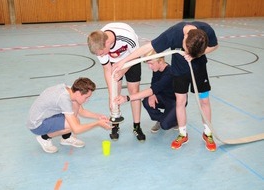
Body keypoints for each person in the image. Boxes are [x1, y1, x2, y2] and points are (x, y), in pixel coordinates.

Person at [114, 21, 219, 151]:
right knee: (180, 101)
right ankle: (182, 134)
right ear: (185, 37)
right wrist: (123, 61)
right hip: (179, 71)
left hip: (199, 68)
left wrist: (197, 54)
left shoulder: (206, 30)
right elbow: (147, 48)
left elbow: (214, 46)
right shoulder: (173, 34)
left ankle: (207, 133)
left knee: (204, 100)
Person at [87, 22, 145, 142]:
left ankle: (137, 126)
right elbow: (107, 69)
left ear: (107, 43)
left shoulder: (128, 38)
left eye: (102, 53)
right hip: (114, 62)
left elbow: (135, 56)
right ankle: (115, 124)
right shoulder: (99, 45)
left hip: (131, 58)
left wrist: (123, 70)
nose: (101, 55)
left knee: (134, 92)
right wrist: (111, 94)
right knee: (115, 94)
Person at [26, 77, 112, 153]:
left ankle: (66, 138)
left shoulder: (71, 90)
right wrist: (97, 123)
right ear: (78, 93)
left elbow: (81, 111)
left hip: (44, 116)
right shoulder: (64, 99)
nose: (87, 100)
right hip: (37, 125)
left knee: (75, 108)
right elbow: (76, 129)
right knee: (74, 123)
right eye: (86, 97)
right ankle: (44, 138)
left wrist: (98, 116)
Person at [115, 50, 180, 133]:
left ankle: (177, 119)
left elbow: (154, 89)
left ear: (160, 61)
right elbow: (154, 84)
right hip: (163, 98)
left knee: (165, 125)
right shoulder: (156, 69)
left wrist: (127, 98)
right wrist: (152, 95)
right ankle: (163, 119)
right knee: (147, 101)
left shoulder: (169, 73)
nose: (149, 67)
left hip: (175, 102)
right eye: (148, 64)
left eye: (151, 64)